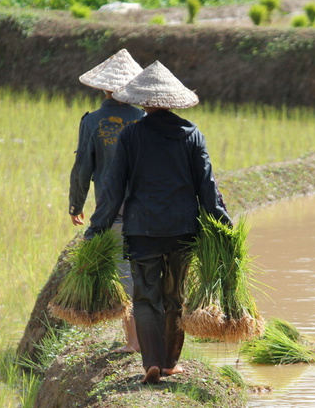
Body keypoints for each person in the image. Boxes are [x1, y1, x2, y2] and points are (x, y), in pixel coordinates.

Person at [84, 60, 231, 384]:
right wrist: (223, 224)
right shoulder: (192, 135)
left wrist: (97, 227)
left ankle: (149, 362)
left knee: (146, 296)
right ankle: (168, 364)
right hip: (181, 230)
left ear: (145, 101)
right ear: (172, 101)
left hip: (141, 229)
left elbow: (113, 187)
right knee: (174, 297)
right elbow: (207, 188)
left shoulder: (131, 135)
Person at [69, 48, 144, 353]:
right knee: (144, 273)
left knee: (123, 271)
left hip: (111, 210)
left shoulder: (93, 122)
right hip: (147, 211)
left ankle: (134, 342)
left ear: (104, 86)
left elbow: (82, 168)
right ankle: (145, 341)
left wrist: (76, 204)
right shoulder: (145, 119)